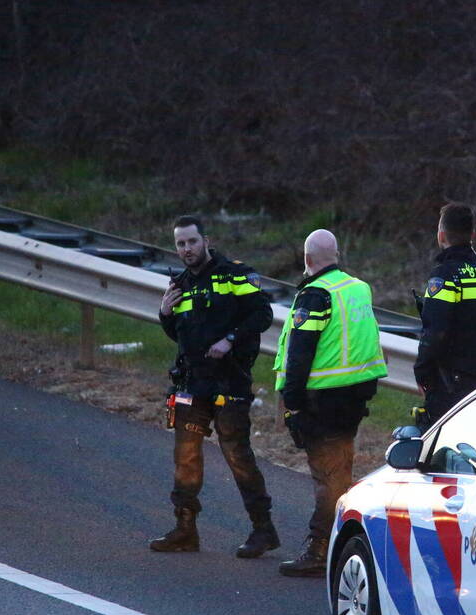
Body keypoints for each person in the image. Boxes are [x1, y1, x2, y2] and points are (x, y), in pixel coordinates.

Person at [150, 215, 279, 558]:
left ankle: (263, 530)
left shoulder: (234, 273)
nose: (187, 249)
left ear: (206, 241)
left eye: (192, 242)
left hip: (230, 381)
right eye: (180, 244)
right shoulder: (179, 283)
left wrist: (229, 340)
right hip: (193, 383)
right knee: (186, 457)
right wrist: (165, 313)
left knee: (237, 455)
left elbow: (262, 315)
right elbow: (181, 334)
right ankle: (184, 530)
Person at [273, 229, 387, 577]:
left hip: (321, 401)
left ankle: (321, 549)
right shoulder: (356, 288)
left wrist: (291, 404)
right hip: (353, 397)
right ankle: (339, 545)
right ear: (336, 254)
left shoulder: (315, 295)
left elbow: (300, 353)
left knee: (328, 478)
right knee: (339, 472)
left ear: (307, 260)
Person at [413, 203, 476, 428]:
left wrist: (421, 371)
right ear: (472, 235)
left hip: (446, 383)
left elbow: (435, 332)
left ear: (441, 235)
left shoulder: (444, 276)